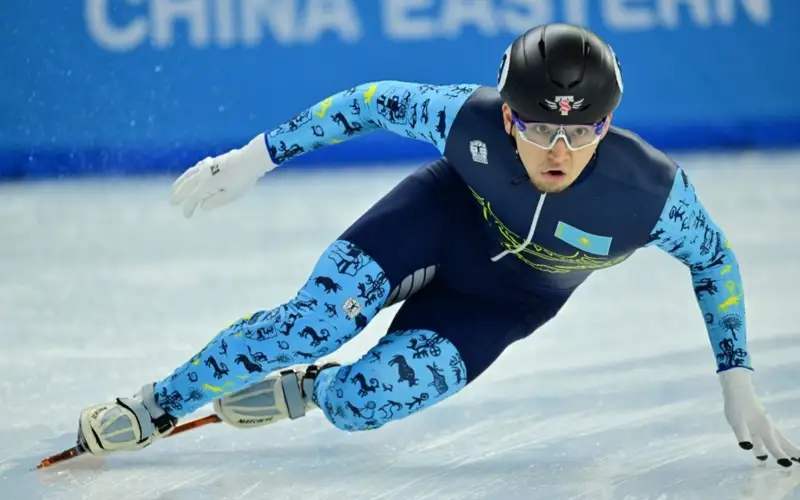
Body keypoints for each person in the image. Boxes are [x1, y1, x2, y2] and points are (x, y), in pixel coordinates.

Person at [75, 23, 799, 467]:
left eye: (581, 132)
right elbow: (366, 103)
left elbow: (715, 261)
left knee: (361, 404)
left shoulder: (651, 193)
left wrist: (736, 377)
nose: (558, 148)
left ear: (607, 127)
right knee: (310, 324)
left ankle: (310, 391)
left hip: (500, 306)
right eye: (538, 125)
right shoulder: (466, 118)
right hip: (435, 221)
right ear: (508, 117)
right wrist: (251, 159)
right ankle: (159, 403)